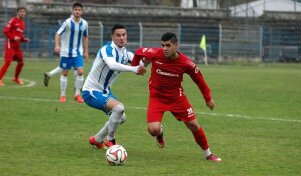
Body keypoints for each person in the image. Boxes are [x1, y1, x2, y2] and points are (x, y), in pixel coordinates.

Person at [131, 32, 221, 162]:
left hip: (176, 98)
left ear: (176, 45)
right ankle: (159, 133)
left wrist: (208, 99)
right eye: (163, 45)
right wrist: (135, 68)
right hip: (157, 97)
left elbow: (199, 80)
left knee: (193, 125)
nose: (165, 49)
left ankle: (208, 154)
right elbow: (139, 52)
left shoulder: (186, 63)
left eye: (168, 45)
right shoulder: (155, 54)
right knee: (153, 130)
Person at [82, 24, 146, 149]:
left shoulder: (126, 54)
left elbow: (141, 63)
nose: (122, 38)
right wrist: (133, 69)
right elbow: (112, 64)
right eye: (118, 35)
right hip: (91, 91)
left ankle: (97, 139)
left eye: (124, 35)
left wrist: (151, 57)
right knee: (119, 108)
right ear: (112, 37)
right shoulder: (107, 50)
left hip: (105, 91)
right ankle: (110, 140)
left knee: (121, 117)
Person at [54, 2, 89, 103]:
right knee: (65, 73)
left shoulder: (84, 24)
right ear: (72, 11)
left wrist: (86, 51)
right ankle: (63, 95)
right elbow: (57, 34)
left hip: (78, 52)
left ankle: (77, 94)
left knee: (80, 72)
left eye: (79, 10)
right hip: (66, 52)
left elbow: (86, 37)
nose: (77, 11)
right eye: (76, 10)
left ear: (82, 12)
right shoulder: (67, 22)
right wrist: (57, 45)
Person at [0, 6, 30, 86]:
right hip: (10, 45)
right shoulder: (13, 20)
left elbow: (19, 35)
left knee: (21, 63)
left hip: (17, 46)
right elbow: (5, 31)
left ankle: (16, 78)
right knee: (8, 62)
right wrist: (13, 37)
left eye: (24, 11)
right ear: (18, 12)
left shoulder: (23, 23)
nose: (22, 13)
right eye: (21, 11)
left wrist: (24, 39)